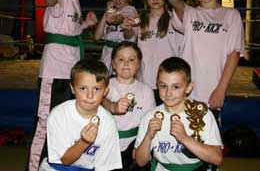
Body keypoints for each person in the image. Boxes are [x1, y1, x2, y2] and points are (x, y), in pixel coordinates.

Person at [28, 0, 98, 170]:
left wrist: (85, 24)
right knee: (45, 123)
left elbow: (70, 29)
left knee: (62, 123)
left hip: (70, 71)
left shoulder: (74, 0)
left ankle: (55, 164)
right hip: (54, 70)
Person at [164, 0, 244, 122]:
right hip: (183, 90)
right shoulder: (191, 13)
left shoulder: (231, 15)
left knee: (206, 142)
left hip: (211, 91)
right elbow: (178, 4)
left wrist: (221, 89)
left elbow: (234, 54)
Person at [135, 57, 223, 171]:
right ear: (157, 85)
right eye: (163, 86)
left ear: (189, 87)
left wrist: (184, 138)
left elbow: (217, 158)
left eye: (176, 87)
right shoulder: (150, 117)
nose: (168, 93)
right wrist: (148, 136)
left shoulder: (201, 114)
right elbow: (140, 162)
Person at [39, 58, 122, 171]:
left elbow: (104, 167)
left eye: (96, 89)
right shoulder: (59, 115)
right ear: (73, 88)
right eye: (83, 88)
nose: (89, 95)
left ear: (105, 91)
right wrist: (84, 142)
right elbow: (65, 160)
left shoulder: (108, 122)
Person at [124, 0, 183, 105]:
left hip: (169, 81)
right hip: (145, 80)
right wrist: (127, 28)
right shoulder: (139, 20)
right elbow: (128, 36)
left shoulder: (175, 19)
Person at [102, 41, 156, 170]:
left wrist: (141, 144)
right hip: (107, 143)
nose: (126, 63)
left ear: (138, 64)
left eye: (131, 59)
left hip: (134, 142)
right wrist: (112, 106)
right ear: (114, 64)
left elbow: (149, 121)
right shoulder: (105, 85)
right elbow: (100, 100)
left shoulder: (146, 90)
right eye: (121, 59)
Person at [94, 0, 139, 73]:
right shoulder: (111, 11)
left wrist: (113, 18)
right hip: (107, 54)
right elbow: (97, 36)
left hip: (124, 54)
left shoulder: (130, 10)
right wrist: (106, 12)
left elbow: (119, 18)